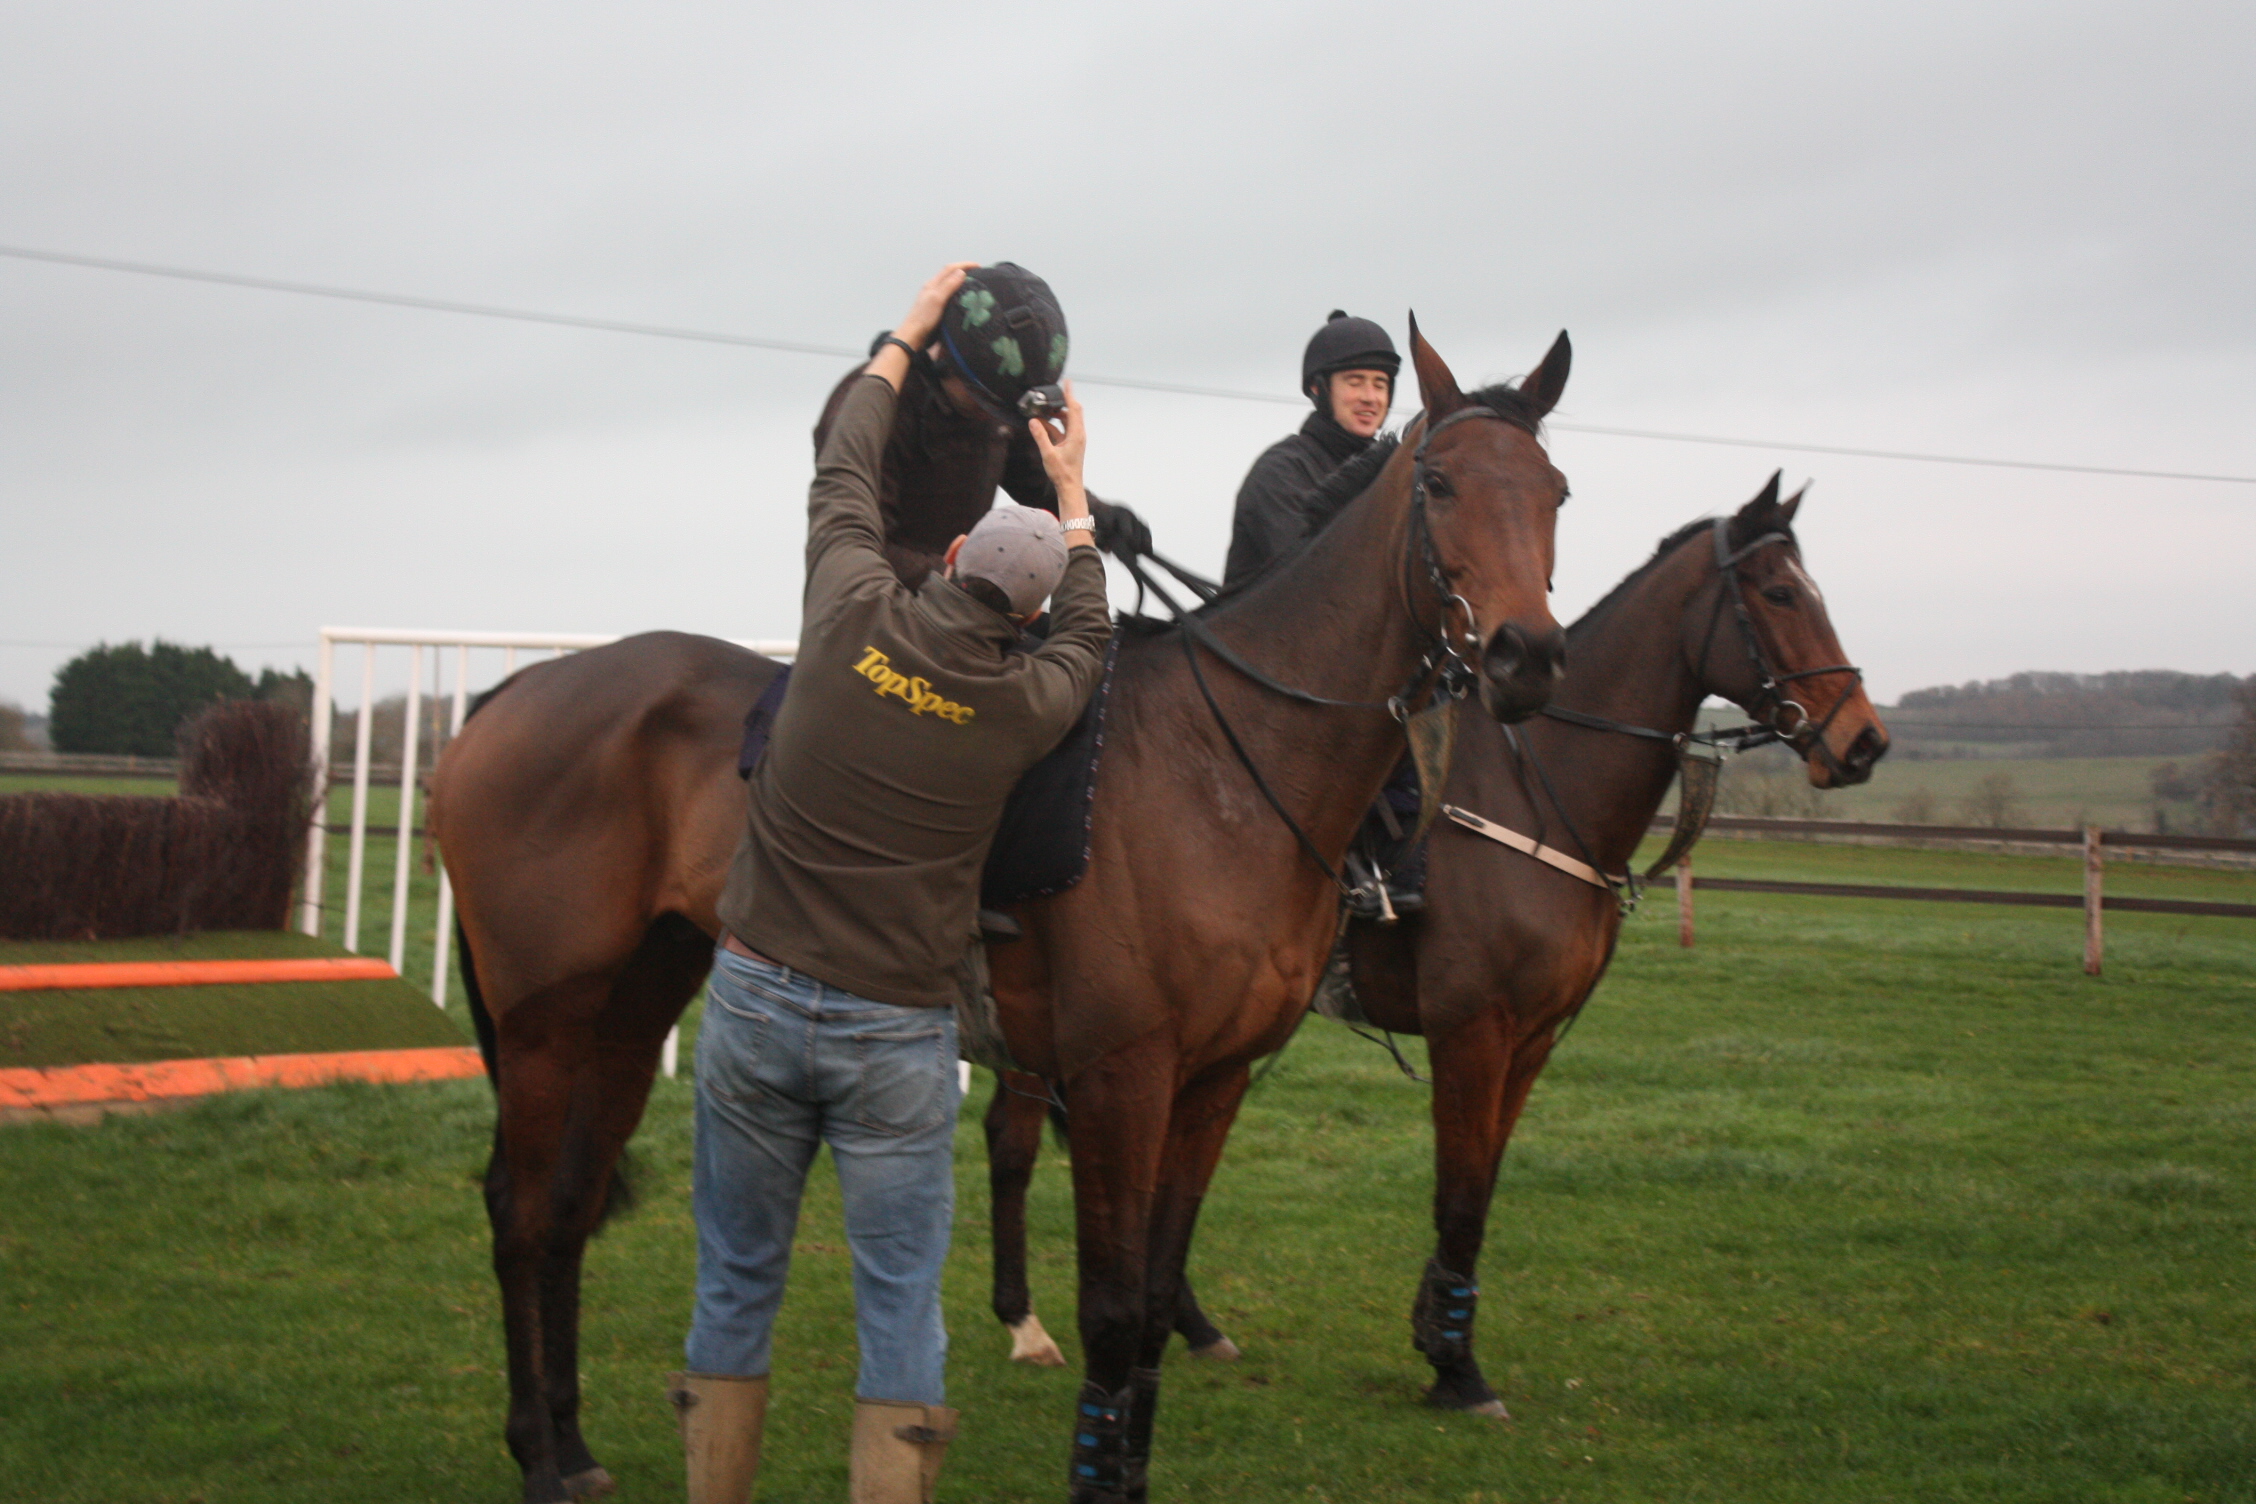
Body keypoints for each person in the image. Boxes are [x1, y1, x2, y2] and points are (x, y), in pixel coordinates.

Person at [670, 263, 1111, 1504]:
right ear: (1021, 607)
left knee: (734, 1283)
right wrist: (1077, 506)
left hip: (753, 1001)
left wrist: (903, 332)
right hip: (895, 1030)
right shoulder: (1026, 697)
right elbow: (1091, 638)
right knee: (901, 1309)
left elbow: (844, 473)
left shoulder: (849, 602)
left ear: (956, 553)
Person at [1221, 309, 1400, 587]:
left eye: (1380, 384)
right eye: (1355, 382)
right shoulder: (1281, 471)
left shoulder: (1394, 470)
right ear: (1319, 389)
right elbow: (1314, 578)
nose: (1370, 397)